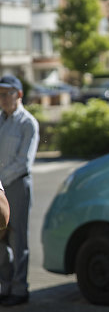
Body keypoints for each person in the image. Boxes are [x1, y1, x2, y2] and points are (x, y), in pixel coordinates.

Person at [0, 75, 39, 306]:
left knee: (17, 238)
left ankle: (20, 288)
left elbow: (24, 162)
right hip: (1, 187)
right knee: (0, 240)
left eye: (8, 94)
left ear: (19, 94)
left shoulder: (28, 122)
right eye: (0, 94)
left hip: (16, 185)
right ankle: (4, 286)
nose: (3, 99)